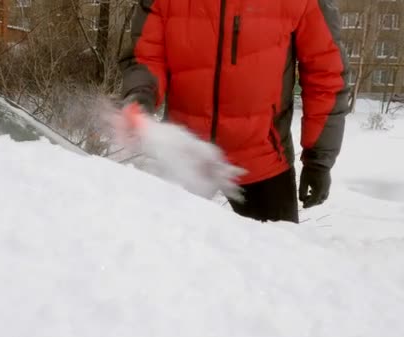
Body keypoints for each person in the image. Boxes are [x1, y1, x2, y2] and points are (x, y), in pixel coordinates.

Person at [118, 0, 351, 224]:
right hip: (184, 158)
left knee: (274, 261)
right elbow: (145, 56)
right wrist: (140, 95)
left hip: (264, 161)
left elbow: (326, 73)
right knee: (164, 257)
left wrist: (319, 158)